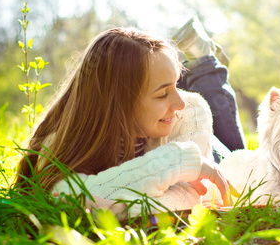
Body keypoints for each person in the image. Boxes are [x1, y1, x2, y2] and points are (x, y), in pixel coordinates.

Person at [14, 16, 246, 220]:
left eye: (175, 85)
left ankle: (204, 59)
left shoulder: (189, 111)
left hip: (209, 153)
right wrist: (175, 161)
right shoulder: (62, 141)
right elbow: (63, 196)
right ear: (117, 105)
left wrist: (108, 206)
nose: (179, 102)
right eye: (163, 94)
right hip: (174, 142)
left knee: (239, 158)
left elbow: (195, 198)